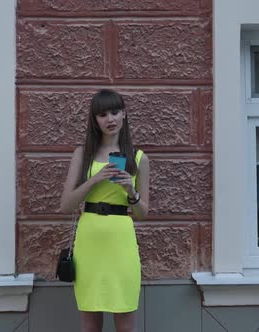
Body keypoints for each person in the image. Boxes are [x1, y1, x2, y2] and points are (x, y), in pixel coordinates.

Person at [60, 89, 150, 332]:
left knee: (125, 325)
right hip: (90, 240)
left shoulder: (138, 158)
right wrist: (95, 179)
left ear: (124, 114)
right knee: (90, 326)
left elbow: (143, 213)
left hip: (121, 241)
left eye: (115, 112)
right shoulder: (83, 154)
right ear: (94, 120)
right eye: (102, 114)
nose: (110, 119)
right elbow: (66, 204)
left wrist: (131, 192)